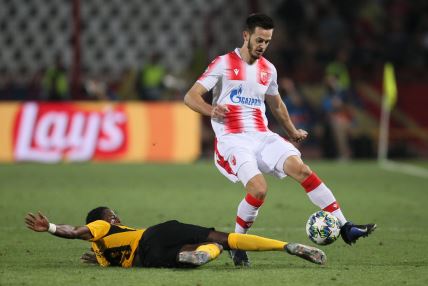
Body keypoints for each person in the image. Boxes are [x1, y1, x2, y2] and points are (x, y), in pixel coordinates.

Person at [183, 13, 376, 267]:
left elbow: (276, 104)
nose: (263, 46)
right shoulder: (223, 63)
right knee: (259, 189)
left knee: (302, 169)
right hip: (233, 139)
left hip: (262, 136)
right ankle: (238, 244)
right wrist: (212, 110)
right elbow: (191, 96)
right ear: (246, 36)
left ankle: (344, 225)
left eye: (268, 41)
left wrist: (292, 131)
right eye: (259, 40)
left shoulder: (268, 69)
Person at [25, 207, 326, 268]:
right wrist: (51, 228)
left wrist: (96, 257)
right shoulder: (100, 229)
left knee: (197, 252)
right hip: (155, 234)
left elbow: (95, 245)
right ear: (101, 222)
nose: (116, 218)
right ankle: (285, 247)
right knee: (221, 238)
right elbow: (76, 231)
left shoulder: (103, 255)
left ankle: (201, 255)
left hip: (147, 259)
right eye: (112, 215)